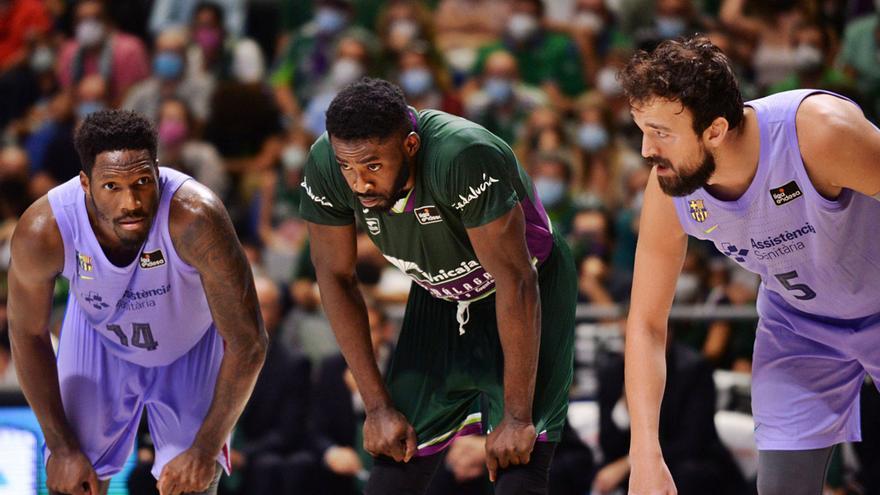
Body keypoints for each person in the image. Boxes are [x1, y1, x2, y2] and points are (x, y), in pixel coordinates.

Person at [619, 35, 880, 495]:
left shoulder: (819, 132)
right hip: (800, 328)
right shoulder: (667, 189)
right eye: (643, 130)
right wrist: (644, 453)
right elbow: (645, 324)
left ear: (715, 130)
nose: (646, 150)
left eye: (660, 133)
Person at [299, 78, 576, 495]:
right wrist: (376, 407)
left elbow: (516, 279)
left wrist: (517, 416)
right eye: (348, 167)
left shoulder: (461, 154)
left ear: (410, 145)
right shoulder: (326, 162)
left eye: (373, 165)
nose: (359, 183)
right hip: (440, 299)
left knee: (517, 464)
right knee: (393, 462)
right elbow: (335, 277)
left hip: (526, 289)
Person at [8, 110, 267, 495]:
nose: (131, 202)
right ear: (84, 183)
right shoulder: (44, 230)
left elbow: (249, 342)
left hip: (189, 345)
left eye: (143, 182)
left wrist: (206, 447)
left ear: (158, 173)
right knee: (75, 478)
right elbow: (28, 334)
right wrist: (60, 446)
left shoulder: (197, 218)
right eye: (111, 186)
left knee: (192, 481)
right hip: (99, 338)